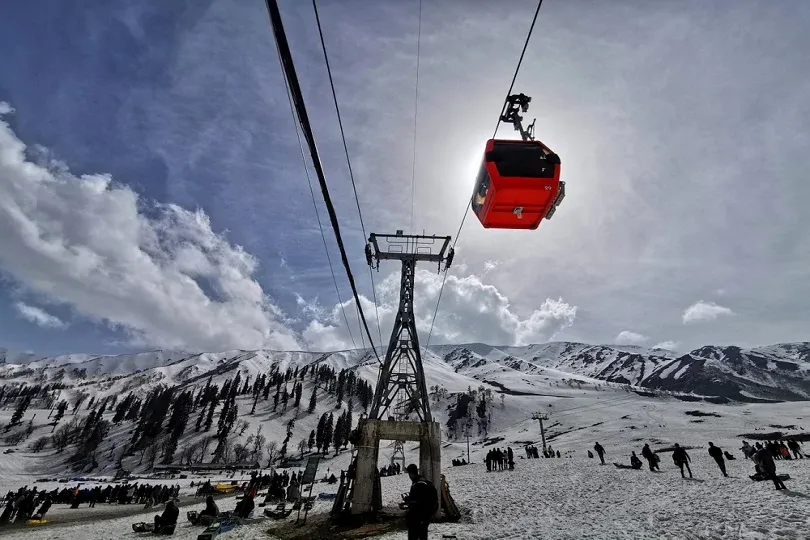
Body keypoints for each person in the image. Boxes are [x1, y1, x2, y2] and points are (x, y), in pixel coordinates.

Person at [404, 464, 438, 540]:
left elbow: (418, 500)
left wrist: (408, 501)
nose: (409, 476)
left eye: (410, 474)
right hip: (424, 516)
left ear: (412, 473)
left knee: (415, 536)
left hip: (418, 516)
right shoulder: (421, 482)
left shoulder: (419, 484)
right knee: (423, 535)